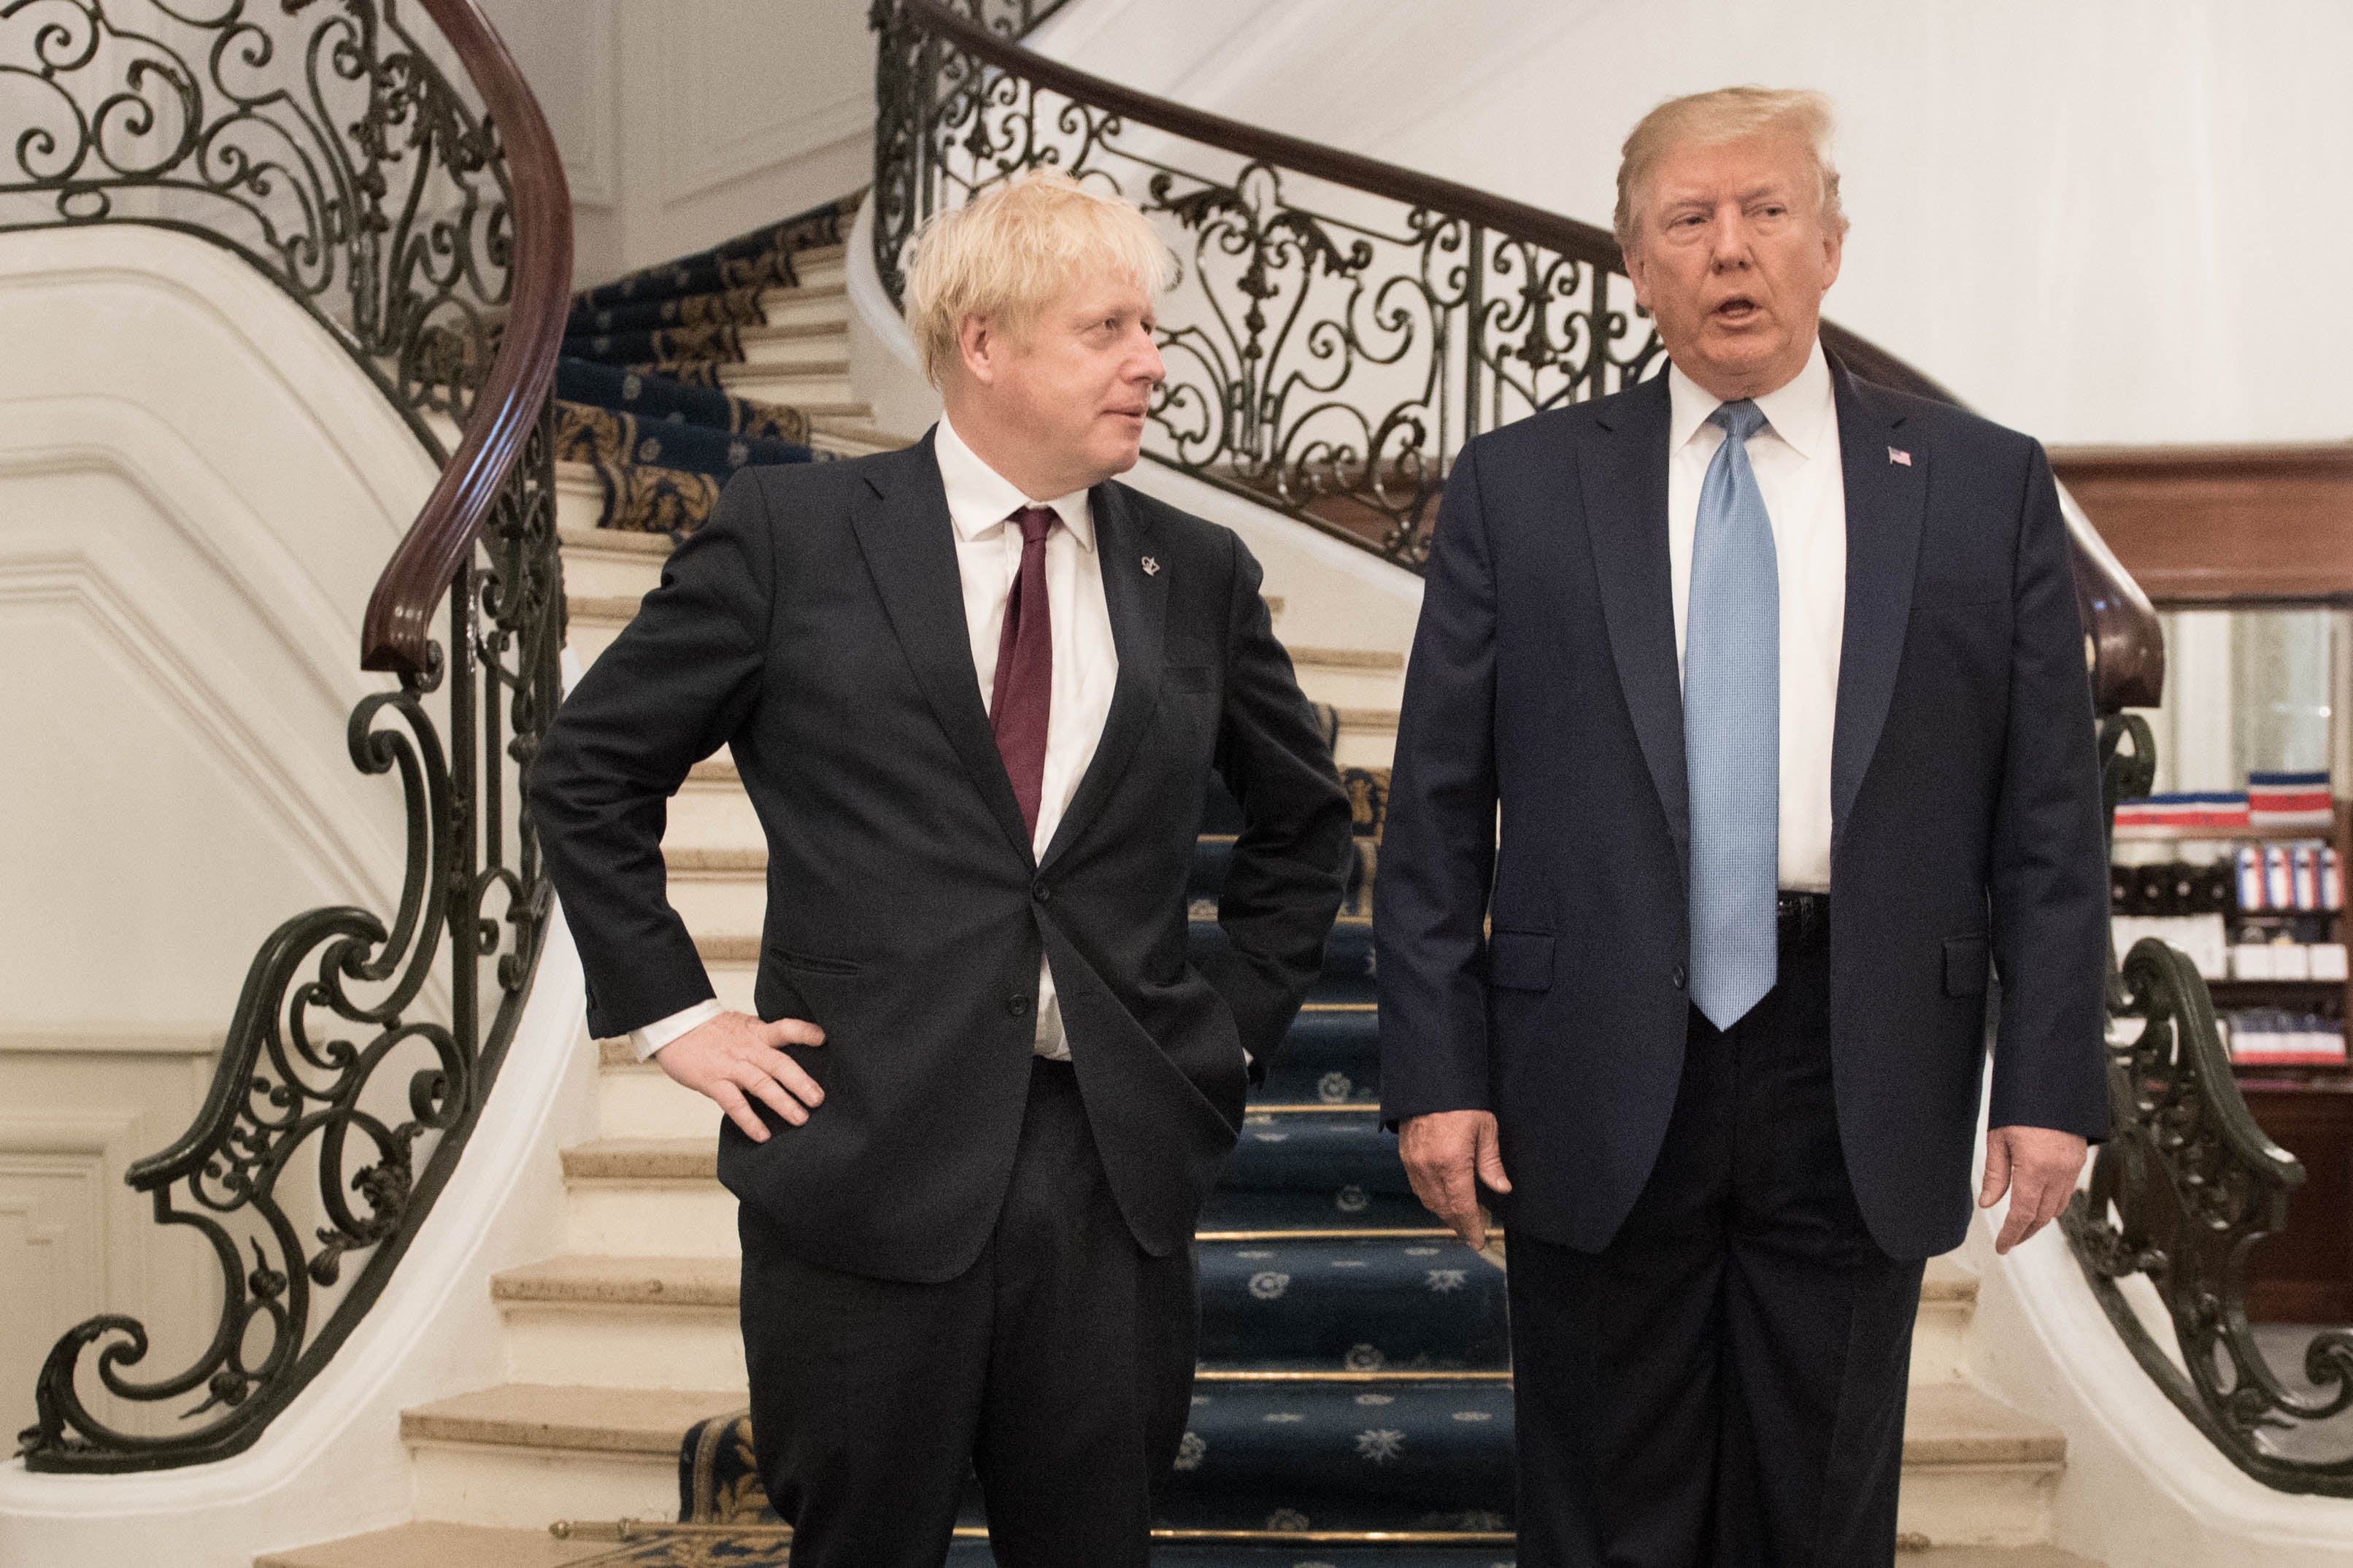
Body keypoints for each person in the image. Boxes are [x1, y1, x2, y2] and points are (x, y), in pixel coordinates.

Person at [528, 170, 1353, 1568]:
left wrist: (1216, 1030)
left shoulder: (1196, 568)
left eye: (1150, 328)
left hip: (1108, 1175)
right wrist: (676, 1013)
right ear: (985, 343)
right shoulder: (792, 537)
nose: (1151, 361)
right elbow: (589, 770)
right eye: (1108, 328)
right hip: (862, 1156)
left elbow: (1307, 822)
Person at [1375, 87, 2110, 1567]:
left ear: (1829, 243)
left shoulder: (1980, 485)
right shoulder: (1520, 489)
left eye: (1766, 212)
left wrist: (2051, 1079)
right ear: (1633, 267)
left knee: (1814, 1510)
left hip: (1861, 1047)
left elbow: (2047, 816)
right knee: (1600, 1513)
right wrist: (1432, 1073)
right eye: (1687, 222)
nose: (1732, 251)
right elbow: (1436, 814)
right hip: (1589, 1049)